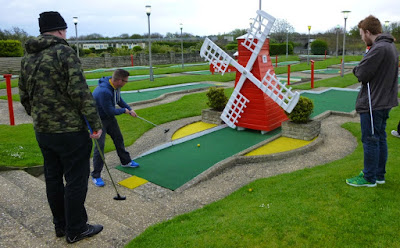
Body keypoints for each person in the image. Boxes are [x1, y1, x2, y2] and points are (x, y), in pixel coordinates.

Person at [18, 11, 104, 243]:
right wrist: (96, 124)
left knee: (53, 178)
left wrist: (38, 116)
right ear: (60, 30)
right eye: (64, 30)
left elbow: (24, 95)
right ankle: (76, 228)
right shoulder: (64, 52)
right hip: (70, 132)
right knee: (76, 179)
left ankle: (61, 225)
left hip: (43, 131)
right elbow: (80, 92)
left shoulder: (27, 57)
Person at [346, 15, 399, 187]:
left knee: (370, 139)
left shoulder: (378, 48)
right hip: (385, 100)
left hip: (373, 102)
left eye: (362, 33)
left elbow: (361, 73)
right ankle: (379, 175)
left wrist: (356, 68)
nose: (361, 37)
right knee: (380, 137)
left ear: (368, 32)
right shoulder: (391, 46)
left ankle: (369, 177)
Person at [91, 69, 140, 187]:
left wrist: (129, 108)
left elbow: (118, 100)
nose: (126, 83)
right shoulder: (104, 91)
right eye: (125, 81)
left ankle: (125, 162)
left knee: (118, 138)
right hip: (98, 120)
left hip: (109, 119)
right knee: (100, 147)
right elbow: (110, 111)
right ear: (119, 80)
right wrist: (124, 111)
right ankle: (96, 175)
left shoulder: (115, 87)